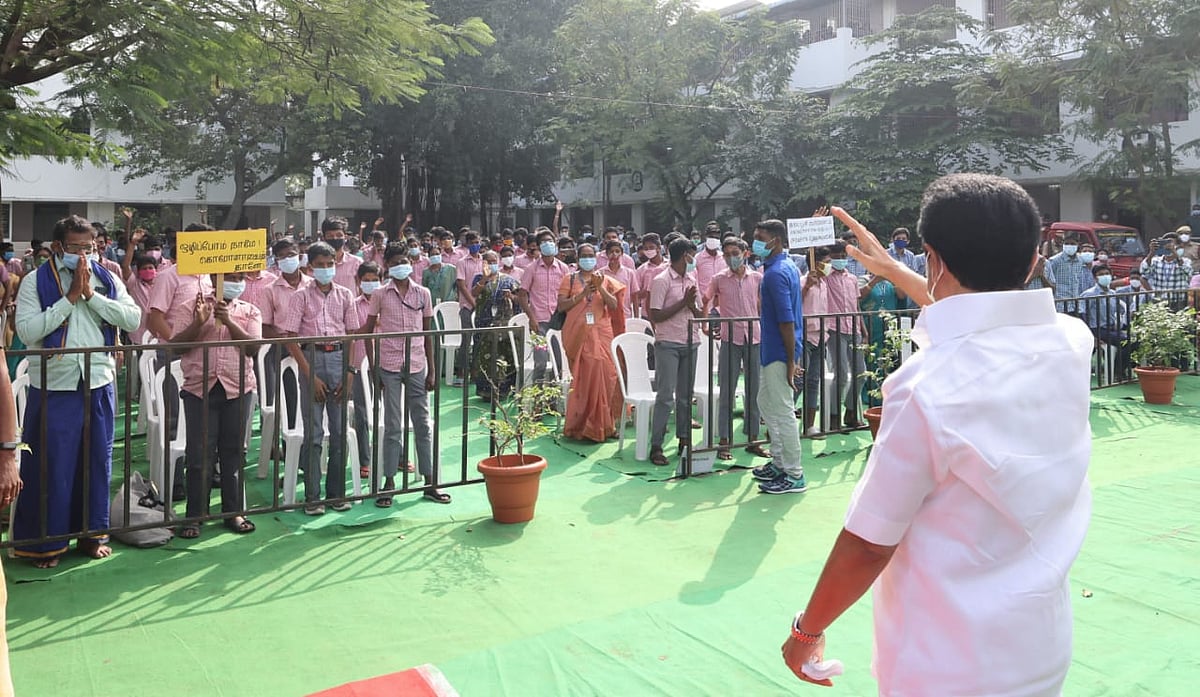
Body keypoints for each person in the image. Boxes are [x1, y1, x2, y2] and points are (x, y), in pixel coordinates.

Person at [782, 174, 1093, 696]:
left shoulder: (924, 388)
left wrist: (805, 630)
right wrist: (901, 270)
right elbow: (981, 315)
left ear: (936, 260)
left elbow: (867, 543)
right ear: (1035, 261)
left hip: (946, 664)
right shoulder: (1070, 341)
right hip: (1040, 648)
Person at [13, 215, 141, 567]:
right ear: (57, 248)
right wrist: (69, 298)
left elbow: (132, 319)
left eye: (91, 247)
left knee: (95, 463)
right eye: (76, 248)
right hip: (55, 384)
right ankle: (45, 545)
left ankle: (91, 535)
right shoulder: (33, 282)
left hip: (98, 381)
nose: (85, 254)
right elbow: (27, 331)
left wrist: (91, 297)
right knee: (52, 467)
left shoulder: (107, 278)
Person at [170, 272, 261, 538]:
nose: (236, 282)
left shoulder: (249, 310)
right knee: (199, 454)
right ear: (214, 277)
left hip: (238, 388)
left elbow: (253, 348)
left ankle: (233, 512)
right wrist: (198, 323)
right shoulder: (191, 306)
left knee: (234, 452)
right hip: (200, 388)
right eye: (229, 277)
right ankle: (195, 515)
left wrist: (229, 321)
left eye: (239, 277)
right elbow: (176, 347)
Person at [362, 246, 451, 506]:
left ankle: (429, 481)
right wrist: (375, 366)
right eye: (396, 262)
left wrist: (432, 370)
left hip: (417, 365)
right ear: (387, 266)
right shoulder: (380, 293)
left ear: (410, 263)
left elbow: (427, 335)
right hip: (388, 365)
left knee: (422, 423)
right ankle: (389, 482)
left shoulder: (423, 293)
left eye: (405, 261)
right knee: (392, 424)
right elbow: (368, 331)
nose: (401, 265)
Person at [280, 241, 361, 516]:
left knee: (339, 432)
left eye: (330, 264)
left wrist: (350, 373)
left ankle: (336, 494)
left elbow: (352, 336)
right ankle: (312, 496)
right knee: (313, 433)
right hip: (311, 358)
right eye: (320, 265)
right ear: (310, 266)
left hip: (339, 358)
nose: (326, 269)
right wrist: (310, 375)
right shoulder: (300, 297)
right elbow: (290, 338)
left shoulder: (346, 295)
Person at [750, 219, 807, 494]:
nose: (756, 242)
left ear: (776, 240)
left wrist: (791, 360)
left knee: (783, 410)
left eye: (760, 237)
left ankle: (794, 473)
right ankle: (779, 461)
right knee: (766, 402)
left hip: (779, 350)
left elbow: (787, 320)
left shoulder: (775, 274)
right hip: (774, 348)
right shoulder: (786, 267)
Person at [703, 237, 764, 460]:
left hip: (754, 336)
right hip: (730, 337)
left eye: (735, 252)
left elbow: (763, 304)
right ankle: (724, 441)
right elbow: (705, 299)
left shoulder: (757, 277)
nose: (731, 257)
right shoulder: (719, 278)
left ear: (745, 253)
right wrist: (705, 322)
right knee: (727, 390)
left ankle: (753, 438)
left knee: (754, 390)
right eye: (727, 254)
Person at [559, 243, 626, 442]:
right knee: (585, 377)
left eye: (591, 255)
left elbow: (613, 305)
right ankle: (581, 425)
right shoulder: (569, 279)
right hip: (578, 334)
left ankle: (606, 425)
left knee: (607, 375)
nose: (588, 259)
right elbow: (562, 306)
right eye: (584, 255)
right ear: (578, 258)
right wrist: (582, 294)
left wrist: (600, 289)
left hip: (602, 332)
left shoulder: (604, 279)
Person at [647, 237, 704, 467]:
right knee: (665, 396)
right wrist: (682, 303)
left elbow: (701, 315)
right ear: (684, 256)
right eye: (692, 255)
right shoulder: (661, 280)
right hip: (668, 342)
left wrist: (691, 306)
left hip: (691, 341)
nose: (694, 260)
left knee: (684, 396)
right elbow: (655, 315)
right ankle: (657, 445)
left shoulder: (692, 279)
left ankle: (684, 440)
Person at [470, 250, 527, 400]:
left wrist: (511, 296)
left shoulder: (508, 279)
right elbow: (474, 293)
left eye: (494, 261)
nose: (492, 264)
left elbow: (520, 299)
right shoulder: (479, 278)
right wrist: (484, 278)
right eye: (488, 261)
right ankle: (485, 391)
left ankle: (504, 389)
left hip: (505, 325)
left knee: (505, 355)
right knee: (485, 356)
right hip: (484, 323)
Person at [519, 229, 571, 383]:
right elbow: (522, 295)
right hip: (539, 322)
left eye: (550, 241)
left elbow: (568, 294)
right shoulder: (531, 269)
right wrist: (531, 317)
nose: (547, 245)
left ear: (555, 244)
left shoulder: (563, 268)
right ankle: (538, 399)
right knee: (541, 362)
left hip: (558, 321)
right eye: (543, 242)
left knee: (559, 362)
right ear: (539, 247)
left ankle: (555, 400)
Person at [349, 263, 381, 480]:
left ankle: (396, 455)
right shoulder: (352, 305)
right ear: (359, 281)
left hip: (387, 363)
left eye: (374, 279)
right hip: (360, 363)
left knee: (389, 410)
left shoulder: (388, 302)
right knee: (361, 412)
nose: (370, 283)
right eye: (366, 279)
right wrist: (371, 325)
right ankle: (365, 459)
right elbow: (351, 333)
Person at [858, 272, 901, 409]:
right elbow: (858, 297)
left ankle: (887, 394)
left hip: (889, 328)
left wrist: (895, 277)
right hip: (871, 326)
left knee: (889, 359)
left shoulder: (889, 281)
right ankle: (870, 396)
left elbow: (902, 295)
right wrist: (874, 281)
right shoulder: (862, 280)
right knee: (872, 359)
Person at [1080, 263, 1131, 377]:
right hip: (1097, 329)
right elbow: (1082, 314)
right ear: (1095, 278)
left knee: (1135, 340)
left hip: (1111, 329)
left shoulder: (1112, 293)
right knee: (1127, 341)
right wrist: (1092, 336)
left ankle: (1119, 368)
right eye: (1101, 274)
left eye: (1107, 274)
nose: (1105, 276)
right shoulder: (1089, 294)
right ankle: (1118, 372)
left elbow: (1119, 312)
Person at [453, 232, 485, 386]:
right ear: (467, 244)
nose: (475, 244)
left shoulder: (485, 261)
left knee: (480, 339)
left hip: (483, 305)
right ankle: (460, 371)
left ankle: (475, 372)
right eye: (472, 242)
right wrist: (473, 302)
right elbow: (461, 285)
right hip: (466, 306)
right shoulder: (462, 262)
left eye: (477, 241)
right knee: (466, 338)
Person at [1048, 232, 1089, 315]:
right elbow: (1049, 280)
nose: (1069, 245)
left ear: (1078, 244)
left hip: (1077, 305)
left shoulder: (1081, 260)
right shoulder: (1054, 261)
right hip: (1061, 305)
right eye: (1067, 243)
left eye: (1072, 243)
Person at [321, 217, 362, 289]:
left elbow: (362, 291)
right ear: (323, 238)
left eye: (339, 235)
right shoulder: (317, 264)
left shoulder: (356, 263)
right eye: (330, 236)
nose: (335, 238)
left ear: (345, 237)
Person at [600, 239, 638, 318]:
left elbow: (635, 296)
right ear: (607, 254)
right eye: (611, 252)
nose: (614, 254)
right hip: (605, 315)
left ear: (622, 254)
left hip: (625, 314)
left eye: (617, 251)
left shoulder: (629, 273)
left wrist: (636, 318)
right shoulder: (600, 273)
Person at [694, 221, 728, 299]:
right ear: (706, 237)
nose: (714, 240)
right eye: (711, 237)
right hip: (704, 303)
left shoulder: (724, 258)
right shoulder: (697, 258)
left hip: (722, 304)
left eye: (716, 238)